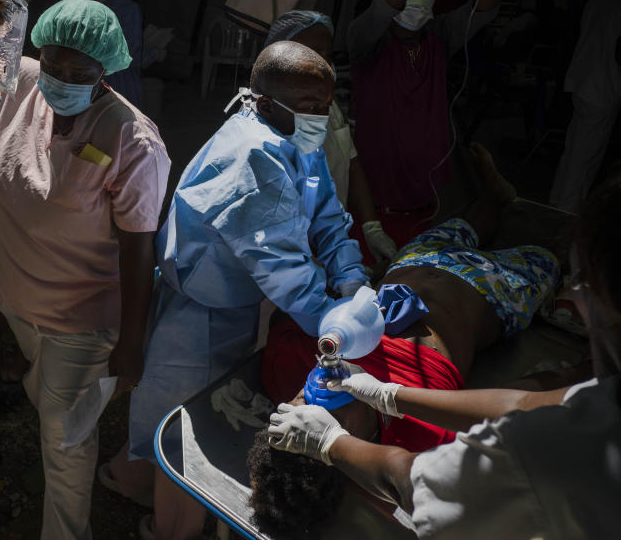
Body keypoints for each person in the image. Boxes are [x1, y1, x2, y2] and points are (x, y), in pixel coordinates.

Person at [265, 176, 621, 538]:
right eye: (323, 414)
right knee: (549, 255)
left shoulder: (301, 364)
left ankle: (495, 193)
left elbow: (284, 319)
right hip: (495, 288)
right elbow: (522, 405)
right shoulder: (423, 435)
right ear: (356, 442)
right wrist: (578, 372)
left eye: (300, 401)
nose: (314, 393)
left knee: (466, 224)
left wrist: (383, 387)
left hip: (418, 260)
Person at [111, 41, 369, 539]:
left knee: (200, 414)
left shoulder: (295, 137)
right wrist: (340, 326)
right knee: (182, 433)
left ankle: (141, 485)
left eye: (328, 105)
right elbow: (287, 271)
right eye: (312, 107)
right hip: (200, 310)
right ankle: (161, 522)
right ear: (267, 102)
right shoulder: (257, 157)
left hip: (232, 299)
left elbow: (329, 218)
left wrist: (353, 281)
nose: (323, 117)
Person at [0, 0, 170, 540]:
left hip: (82, 317)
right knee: (51, 403)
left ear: (105, 70)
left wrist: (131, 344)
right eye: (55, 63)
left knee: (64, 441)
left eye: (80, 71)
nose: (62, 78)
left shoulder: (130, 139)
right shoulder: (16, 81)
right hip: (19, 298)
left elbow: (140, 249)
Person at [346, 0, 516, 246]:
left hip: (428, 202)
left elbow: (484, 8)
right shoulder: (367, 39)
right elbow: (388, 2)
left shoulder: (439, 36)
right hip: (375, 203)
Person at [265, 10, 397, 264]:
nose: (321, 63)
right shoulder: (269, 117)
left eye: (326, 55)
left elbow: (351, 160)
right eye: (309, 53)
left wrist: (372, 228)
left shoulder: (328, 106)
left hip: (327, 235)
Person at [549, 0, 621, 213]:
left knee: (575, 148)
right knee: (586, 153)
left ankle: (559, 200)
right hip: (602, 85)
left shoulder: (598, 0)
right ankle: (567, 207)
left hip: (582, 79)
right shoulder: (613, 4)